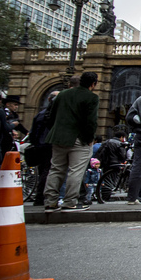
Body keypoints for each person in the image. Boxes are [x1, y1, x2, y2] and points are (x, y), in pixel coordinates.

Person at [43, 72, 100, 212]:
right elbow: (91, 121)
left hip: (58, 137)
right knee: (76, 171)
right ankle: (69, 202)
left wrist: (56, 130)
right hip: (78, 138)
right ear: (93, 84)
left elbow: (50, 116)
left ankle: (50, 202)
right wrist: (89, 139)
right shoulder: (91, 97)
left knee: (56, 169)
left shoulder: (62, 94)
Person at [26, 90, 60, 206]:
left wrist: (34, 143)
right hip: (50, 145)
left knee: (42, 171)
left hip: (39, 145)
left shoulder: (40, 114)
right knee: (48, 171)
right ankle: (42, 197)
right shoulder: (55, 114)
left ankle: (39, 197)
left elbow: (32, 132)